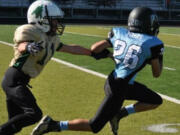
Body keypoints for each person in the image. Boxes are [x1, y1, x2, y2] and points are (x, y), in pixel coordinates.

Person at [31, 7, 164, 135]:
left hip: (117, 82)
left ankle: (119, 114)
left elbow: (95, 48)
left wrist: (111, 54)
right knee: (94, 126)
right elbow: (156, 73)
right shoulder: (153, 43)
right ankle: (53, 124)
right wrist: (155, 58)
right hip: (118, 89)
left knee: (155, 100)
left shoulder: (120, 33)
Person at [0, 0, 103, 134]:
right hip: (13, 80)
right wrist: (28, 46)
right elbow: (21, 45)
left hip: (21, 81)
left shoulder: (50, 38)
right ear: (41, 19)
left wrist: (92, 53)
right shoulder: (30, 31)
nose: (56, 23)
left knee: (15, 124)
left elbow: (70, 48)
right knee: (34, 114)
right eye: (54, 20)